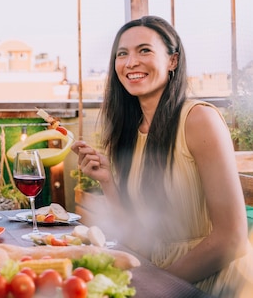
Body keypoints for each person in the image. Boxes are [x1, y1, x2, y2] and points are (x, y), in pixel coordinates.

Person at [71, 15, 252, 297]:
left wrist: (156, 285)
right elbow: (134, 235)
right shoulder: (130, 131)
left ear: (173, 61)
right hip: (156, 275)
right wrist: (108, 181)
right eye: (122, 53)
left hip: (213, 283)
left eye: (144, 50)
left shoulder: (198, 119)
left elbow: (232, 238)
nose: (131, 62)